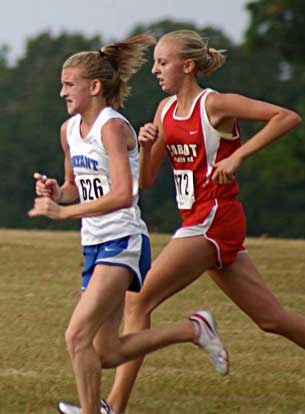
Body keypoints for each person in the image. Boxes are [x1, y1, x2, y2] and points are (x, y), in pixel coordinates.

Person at [59, 29, 305, 414]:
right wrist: (144, 146)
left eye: (163, 62)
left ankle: (112, 406)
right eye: (156, 62)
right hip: (199, 221)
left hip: (214, 219)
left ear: (188, 66)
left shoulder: (216, 105)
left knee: (138, 300)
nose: (156, 70)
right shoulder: (163, 111)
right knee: (270, 319)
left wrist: (238, 156)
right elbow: (145, 180)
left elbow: (286, 117)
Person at [28, 33, 229, 414]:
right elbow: (75, 188)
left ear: (95, 86)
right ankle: (193, 330)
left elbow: (123, 194)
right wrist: (57, 193)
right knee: (105, 352)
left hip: (123, 240)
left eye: (69, 85)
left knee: (76, 335)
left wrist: (64, 214)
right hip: (94, 244)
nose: (62, 93)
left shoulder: (112, 127)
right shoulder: (69, 130)